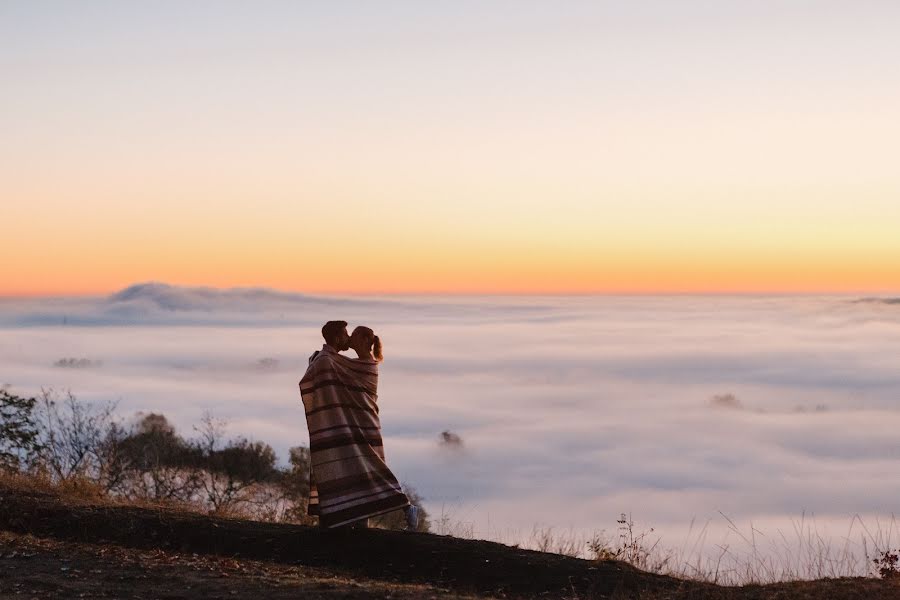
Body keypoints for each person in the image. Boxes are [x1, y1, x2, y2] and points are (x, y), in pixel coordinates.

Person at [299, 322, 418, 531]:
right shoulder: (340, 362)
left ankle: (405, 507)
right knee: (355, 472)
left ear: (363, 341)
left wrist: (317, 358)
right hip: (353, 428)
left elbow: (325, 368)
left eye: (352, 335)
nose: (348, 338)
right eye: (346, 334)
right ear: (337, 337)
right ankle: (356, 525)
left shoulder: (361, 365)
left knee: (371, 470)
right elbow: (325, 367)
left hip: (362, 428)